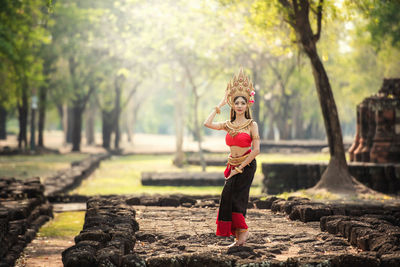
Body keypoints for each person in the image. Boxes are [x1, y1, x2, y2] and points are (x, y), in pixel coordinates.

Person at [204, 68, 260, 246]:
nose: (240, 106)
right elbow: (207, 123)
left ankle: (242, 235)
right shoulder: (228, 125)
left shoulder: (252, 125)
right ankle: (239, 235)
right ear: (233, 105)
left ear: (247, 105)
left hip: (246, 165)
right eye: (237, 103)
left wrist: (240, 167)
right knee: (227, 197)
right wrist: (220, 104)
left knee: (238, 199)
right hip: (231, 165)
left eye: (243, 103)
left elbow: (256, 150)